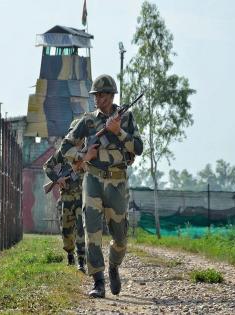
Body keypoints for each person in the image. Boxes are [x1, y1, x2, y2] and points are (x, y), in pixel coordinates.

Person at [59, 74, 143, 298]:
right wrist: (83, 156)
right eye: (95, 96)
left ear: (112, 95)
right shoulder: (87, 121)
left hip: (117, 182)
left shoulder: (126, 118)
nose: (97, 99)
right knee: (92, 232)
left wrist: (118, 132)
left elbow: (139, 148)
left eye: (102, 95)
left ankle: (114, 266)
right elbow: (65, 147)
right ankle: (98, 281)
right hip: (93, 181)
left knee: (121, 237)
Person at [43, 119, 86, 272]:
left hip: (83, 196)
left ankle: (82, 260)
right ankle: (70, 254)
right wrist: (57, 179)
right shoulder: (62, 151)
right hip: (67, 197)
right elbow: (47, 166)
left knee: (82, 228)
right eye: (73, 132)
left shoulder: (87, 151)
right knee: (67, 230)